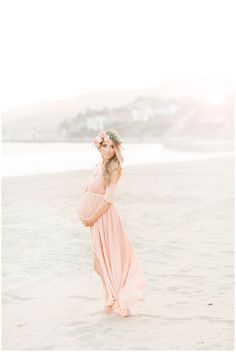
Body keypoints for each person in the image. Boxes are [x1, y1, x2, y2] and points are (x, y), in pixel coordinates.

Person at [77, 129, 147, 318]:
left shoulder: (115, 167)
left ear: (117, 149)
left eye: (112, 147)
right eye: (105, 145)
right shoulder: (99, 165)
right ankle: (111, 299)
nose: (108, 150)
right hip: (97, 223)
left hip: (104, 219)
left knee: (105, 262)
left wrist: (91, 218)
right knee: (99, 264)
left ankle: (118, 301)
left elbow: (108, 199)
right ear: (99, 147)